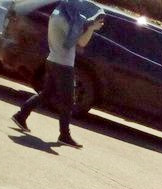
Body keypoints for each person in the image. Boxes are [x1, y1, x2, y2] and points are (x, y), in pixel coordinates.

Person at [11, 0, 104, 148]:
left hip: (54, 60)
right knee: (68, 102)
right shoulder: (65, 20)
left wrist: (88, 25)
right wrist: (91, 28)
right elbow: (81, 42)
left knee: (46, 94)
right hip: (63, 64)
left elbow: (77, 30)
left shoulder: (58, 13)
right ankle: (64, 135)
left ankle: (20, 116)